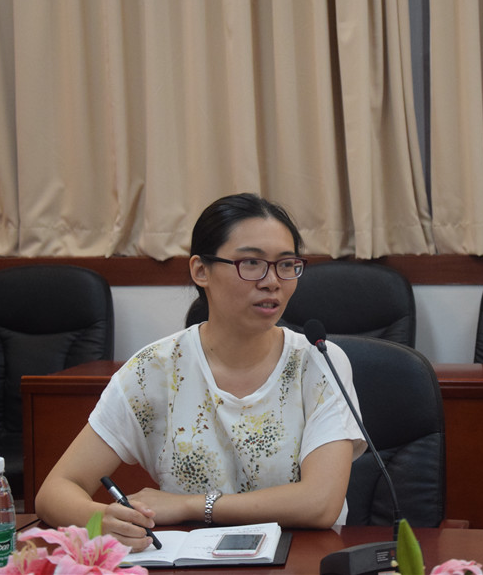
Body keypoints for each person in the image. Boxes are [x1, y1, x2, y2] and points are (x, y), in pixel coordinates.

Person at [35, 193, 366, 552]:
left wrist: (190, 505)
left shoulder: (318, 362)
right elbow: (54, 491)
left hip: (301, 560)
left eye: (286, 264)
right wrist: (101, 519)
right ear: (200, 271)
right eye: (251, 263)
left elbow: (320, 503)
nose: (272, 281)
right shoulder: (154, 370)